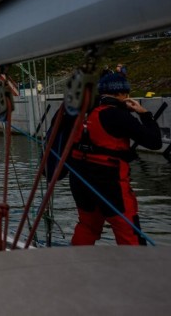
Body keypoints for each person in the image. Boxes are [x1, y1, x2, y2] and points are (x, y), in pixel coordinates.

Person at [67, 73, 162, 245]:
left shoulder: (83, 113)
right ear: (122, 93)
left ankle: (73, 266)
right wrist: (144, 114)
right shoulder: (118, 115)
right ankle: (135, 268)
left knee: (87, 226)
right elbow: (154, 142)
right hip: (110, 181)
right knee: (128, 230)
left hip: (79, 179)